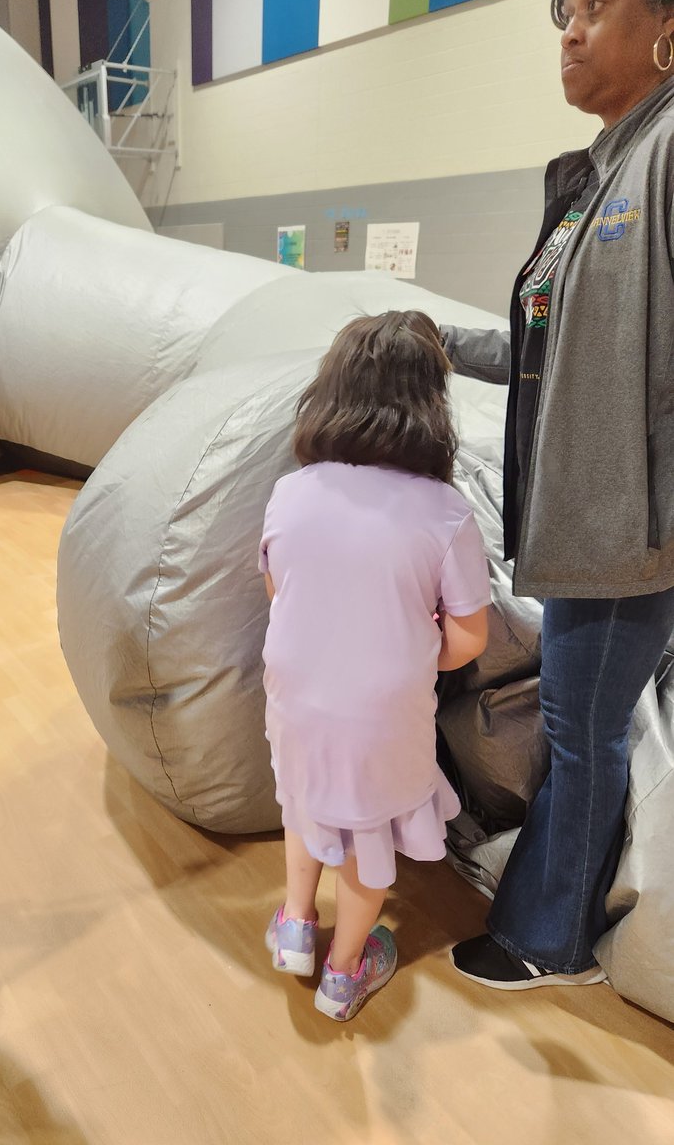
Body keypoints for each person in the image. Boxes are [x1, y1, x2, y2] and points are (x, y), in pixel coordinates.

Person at [443, 0, 674, 990]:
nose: (570, 32)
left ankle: (552, 940)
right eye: (564, 11)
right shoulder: (597, 178)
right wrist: (438, 340)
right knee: (581, 728)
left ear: (666, 26)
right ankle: (558, 907)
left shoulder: (664, 156)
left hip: (631, 531)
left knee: (583, 735)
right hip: (579, 523)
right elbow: (546, 354)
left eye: (597, 5)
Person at [259, 312, 491, 1021]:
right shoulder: (446, 512)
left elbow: (279, 592)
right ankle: (345, 971)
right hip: (382, 713)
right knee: (371, 837)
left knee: (303, 800)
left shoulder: (290, 491)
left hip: (293, 694)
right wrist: (409, 647)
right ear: (431, 401)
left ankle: (297, 924)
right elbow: (469, 638)